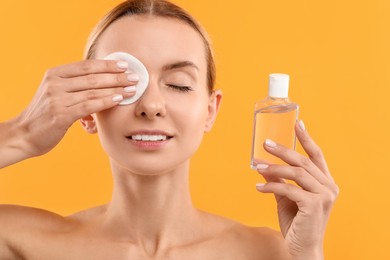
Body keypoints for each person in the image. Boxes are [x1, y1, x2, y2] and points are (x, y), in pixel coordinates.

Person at [0, 0, 339, 259]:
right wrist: (21, 135)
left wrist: (308, 255)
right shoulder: (24, 242)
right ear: (87, 112)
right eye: (127, 84)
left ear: (210, 110)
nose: (152, 105)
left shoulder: (270, 253)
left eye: (177, 84)